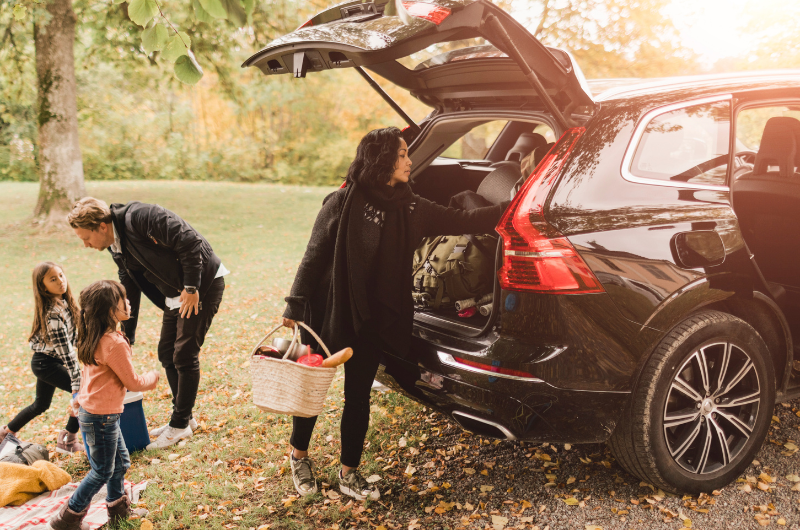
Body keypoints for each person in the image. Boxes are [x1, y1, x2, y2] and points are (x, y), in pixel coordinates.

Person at [282, 127, 508, 501]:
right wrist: (294, 304)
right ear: (382, 159)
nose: (409, 160)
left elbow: (463, 220)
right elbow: (314, 254)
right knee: (311, 391)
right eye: (402, 154)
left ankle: (348, 473)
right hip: (328, 310)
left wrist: (514, 209)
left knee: (358, 397)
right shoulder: (340, 203)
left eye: (406, 154)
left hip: (374, 317)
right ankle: (299, 456)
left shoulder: (412, 207)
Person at [67, 197, 227, 450]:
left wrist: (192, 287)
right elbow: (128, 282)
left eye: (85, 237)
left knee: (184, 354)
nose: (85, 244)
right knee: (167, 352)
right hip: (175, 292)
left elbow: (190, 241)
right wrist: (125, 333)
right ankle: (186, 419)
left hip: (200, 284)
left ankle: (180, 423)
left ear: (101, 226)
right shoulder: (115, 244)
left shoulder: (141, 217)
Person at [47, 280, 159, 530]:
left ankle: (117, 511)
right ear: (110, 310)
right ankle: (67, 518)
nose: (129, 302)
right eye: (123, 299)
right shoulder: (115, 343)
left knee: (120, 463)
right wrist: (153, 378)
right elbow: (132, 381)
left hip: (98, 414)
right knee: (101, 471)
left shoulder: (95, 335)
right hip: (101, 417)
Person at [0, 262, 84, 454]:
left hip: (48, 362)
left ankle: (5, 432)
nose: (60, 282)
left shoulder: (66, 304)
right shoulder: (53, 315)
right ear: (43, 286)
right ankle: (69, 440)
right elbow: (67, 352)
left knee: (41, 404)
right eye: (53, 279)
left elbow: (73, 339)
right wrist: (78, 381)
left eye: (61, 276)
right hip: (46, 364)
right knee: (85, 393)